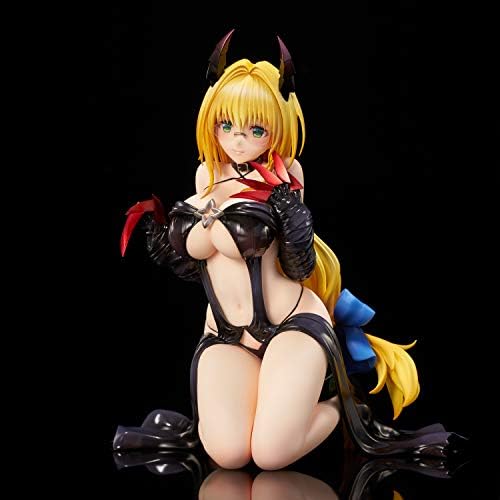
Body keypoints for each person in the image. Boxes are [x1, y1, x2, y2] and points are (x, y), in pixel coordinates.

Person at [113, 31, 466, 470]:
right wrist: (162, 239)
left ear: (277, 127)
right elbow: (192, 266)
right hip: (224, 334)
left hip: (291, 326)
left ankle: (343, 407)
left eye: (255, 129)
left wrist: (288, 210)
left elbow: (299, 263)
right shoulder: (207, 174)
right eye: (226, 125)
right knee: (228, 454)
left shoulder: (285, 175)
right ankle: (277, 401)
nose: (237, 140)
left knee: (271, 455)